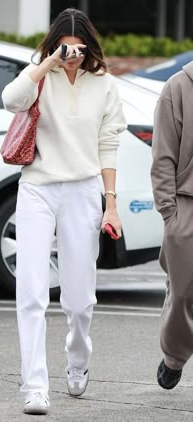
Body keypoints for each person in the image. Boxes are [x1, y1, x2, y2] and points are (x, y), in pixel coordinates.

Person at [2, 7, 126, 415]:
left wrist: (111, 204)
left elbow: (108, 143)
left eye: (78, 48)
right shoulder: (40, 72)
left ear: (90, 46)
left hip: (83, 190)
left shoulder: (104, 84)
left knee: (78, 299)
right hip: (37, 188)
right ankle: (34, 386)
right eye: (64, 47)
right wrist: (49, 63)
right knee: (31, 292)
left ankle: (78, 358)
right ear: (54, 44)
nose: (73, 55)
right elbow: (11, 100)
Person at [151, 61, 193, 390]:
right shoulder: (178, 87)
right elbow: (163, 154)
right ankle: (174, 356)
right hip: (186, 203)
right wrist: (170, 213)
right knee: (183, 294)